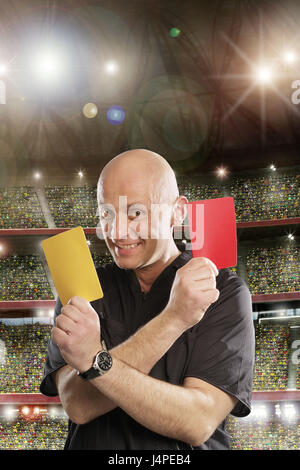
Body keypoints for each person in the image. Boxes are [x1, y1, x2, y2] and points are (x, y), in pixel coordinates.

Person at [40, 149, 255, 450]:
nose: (117, 232)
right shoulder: (81, 287)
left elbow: (197, 421)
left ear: (177, 212)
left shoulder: (223, 290)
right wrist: (174, 319)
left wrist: (96, 361)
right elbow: (78, 405)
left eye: (135, 213)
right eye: (107, 214)